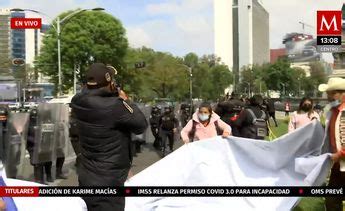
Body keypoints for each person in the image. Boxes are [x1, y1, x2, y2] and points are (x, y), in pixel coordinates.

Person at [71, 63, 148, 211]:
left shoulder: (78, 102)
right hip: (109, 181)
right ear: (109, 82)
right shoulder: (115, 106)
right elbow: (140, 125)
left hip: (87, 176)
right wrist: (126, 101)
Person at [318, 77, 345, 211]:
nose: (327, 96)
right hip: (338, 166)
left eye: (329, 93)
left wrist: (340, 154)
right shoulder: (333, 111)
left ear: (338, 93)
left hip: (341, 160)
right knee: (332, 201)